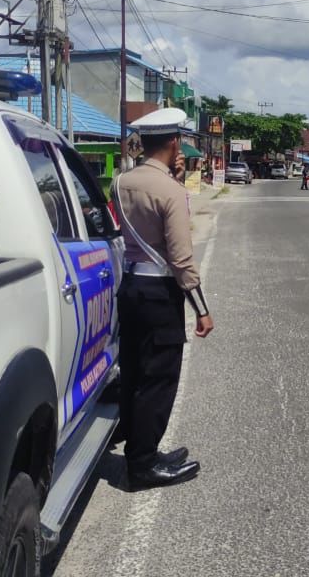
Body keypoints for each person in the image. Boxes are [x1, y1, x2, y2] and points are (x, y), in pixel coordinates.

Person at [113, 108, 214, 490]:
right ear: (173, 143)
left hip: (131, 288)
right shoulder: (172, 191)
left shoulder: (121, 182)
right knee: (159, 380)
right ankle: (142, 466)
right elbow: (181, 259)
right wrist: (201, 310)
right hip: (159, 295)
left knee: (135, 373)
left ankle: (143, 452)